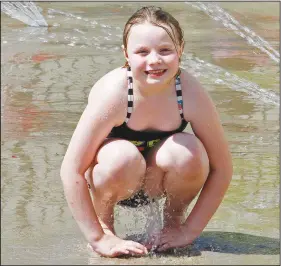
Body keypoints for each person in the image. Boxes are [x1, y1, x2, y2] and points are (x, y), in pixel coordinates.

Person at [60, 6, 233, 258]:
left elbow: (223, 168)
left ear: (180, 50)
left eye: (165, 50)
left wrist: (189, 231)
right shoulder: (115, 93)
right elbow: (71, 169)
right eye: (142, 52)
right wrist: (97, 237)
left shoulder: (190, 93)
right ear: (126, 55)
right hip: (114, 178)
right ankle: (107, 227)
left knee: (188, 151)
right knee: (122, 156)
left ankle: (172, 223)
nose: (154, 60)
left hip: (158, 182)